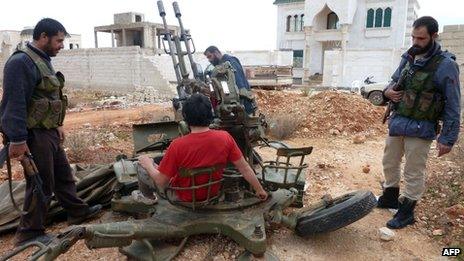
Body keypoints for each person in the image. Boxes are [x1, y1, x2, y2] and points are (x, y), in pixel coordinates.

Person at [0, 18, 102, 246]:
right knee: (40, 183)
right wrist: (17, 140)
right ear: (43, 37)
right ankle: (29, 233)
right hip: (33, 135)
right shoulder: (20, 62)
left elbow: (48, 97)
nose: (62, 45)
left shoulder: (42, 60)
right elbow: (13, 104)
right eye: (58, 40)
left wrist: (58, 124)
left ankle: (77, 211)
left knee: (63, 175)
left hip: (48, 133)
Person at [378, 16, 461, 229]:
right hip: (399, 122)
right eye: (413, 37)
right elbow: (394, 80)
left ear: (434, 36)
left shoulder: (446, 65)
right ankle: (390, 196)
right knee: (389, 161)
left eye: (421, 38)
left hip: (422, 127)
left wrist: (448, 139)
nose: (416, 42)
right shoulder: (408, 57)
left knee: (413, 170)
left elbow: (453, 104)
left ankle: (407, 212)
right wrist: (387, 92)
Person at [138, 94, 267, 202]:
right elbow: (245, 168)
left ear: (186, 117)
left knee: (142, 165)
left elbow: (161, 181)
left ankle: (148, 198)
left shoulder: (177, 145)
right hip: (212, 193)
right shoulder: (225, 138)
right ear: (210, 115)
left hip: (183, 196)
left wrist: (148, 164)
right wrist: (259, 190)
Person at [203, 46, 257, 115]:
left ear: (216, 53)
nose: (209, 60)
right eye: (208, 58)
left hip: (243, 105)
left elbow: (239, 84)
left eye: (210, 56)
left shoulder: (230, 62)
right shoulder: (220, 66)